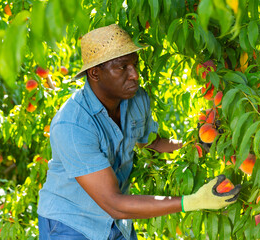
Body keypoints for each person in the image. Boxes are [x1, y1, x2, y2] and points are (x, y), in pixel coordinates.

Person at [37, 24, 241, 240]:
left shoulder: (136, 99)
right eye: (122, 67)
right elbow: (114, 203)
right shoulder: (73, 124)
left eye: (134, 65)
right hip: (71, 224)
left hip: (118, 221)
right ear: (95, 73)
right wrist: (192, 201)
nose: (134, 75)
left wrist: (193, 145)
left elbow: (149, 142)